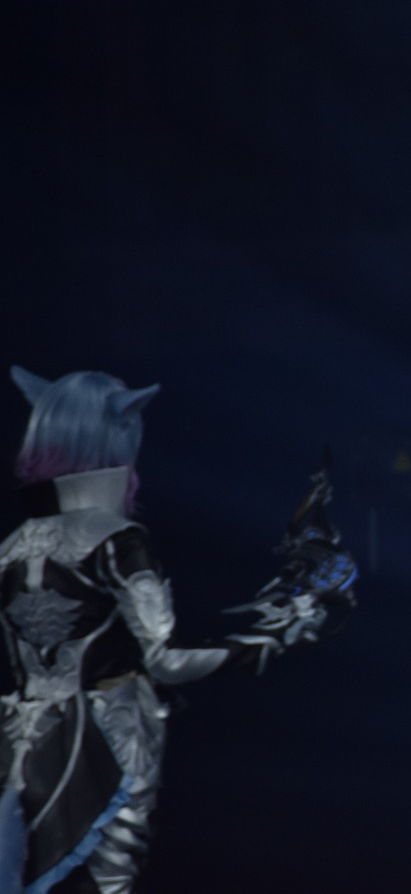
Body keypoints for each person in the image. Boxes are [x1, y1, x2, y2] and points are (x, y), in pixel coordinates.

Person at [0, 367, 355, 893]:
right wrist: (275, 636)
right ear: (119, 433)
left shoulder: (11, 546)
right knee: (105, 879)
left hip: (18, 745)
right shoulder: (117, 540)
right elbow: (166, 661)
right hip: (109, 743)